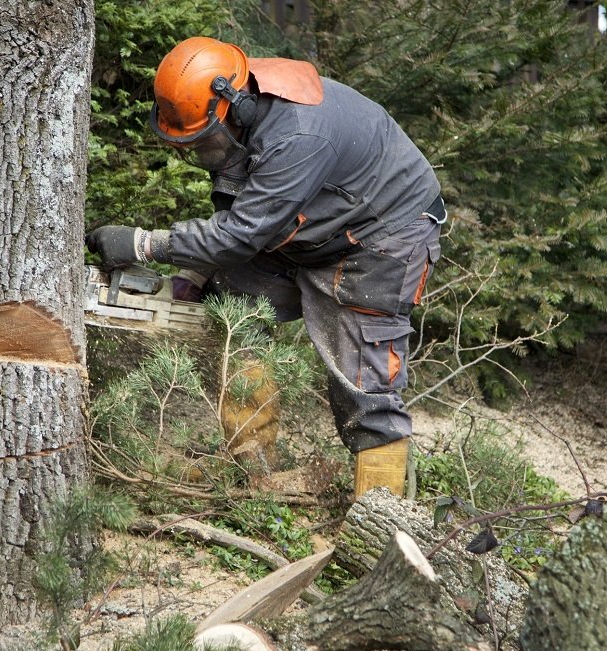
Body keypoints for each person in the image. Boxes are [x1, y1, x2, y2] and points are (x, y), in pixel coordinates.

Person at [85, 36, 445, 497]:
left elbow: (242, 232)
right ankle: (253, 471)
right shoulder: (232, 97)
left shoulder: (297, 136)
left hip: (382, 236)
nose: (197, 152)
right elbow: (238, 209)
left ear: (236, 109)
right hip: (312, 222)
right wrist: (198, 273)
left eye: (203, 139)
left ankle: (382, 514)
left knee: (364, 379)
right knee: (235, 310)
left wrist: (145, 244)